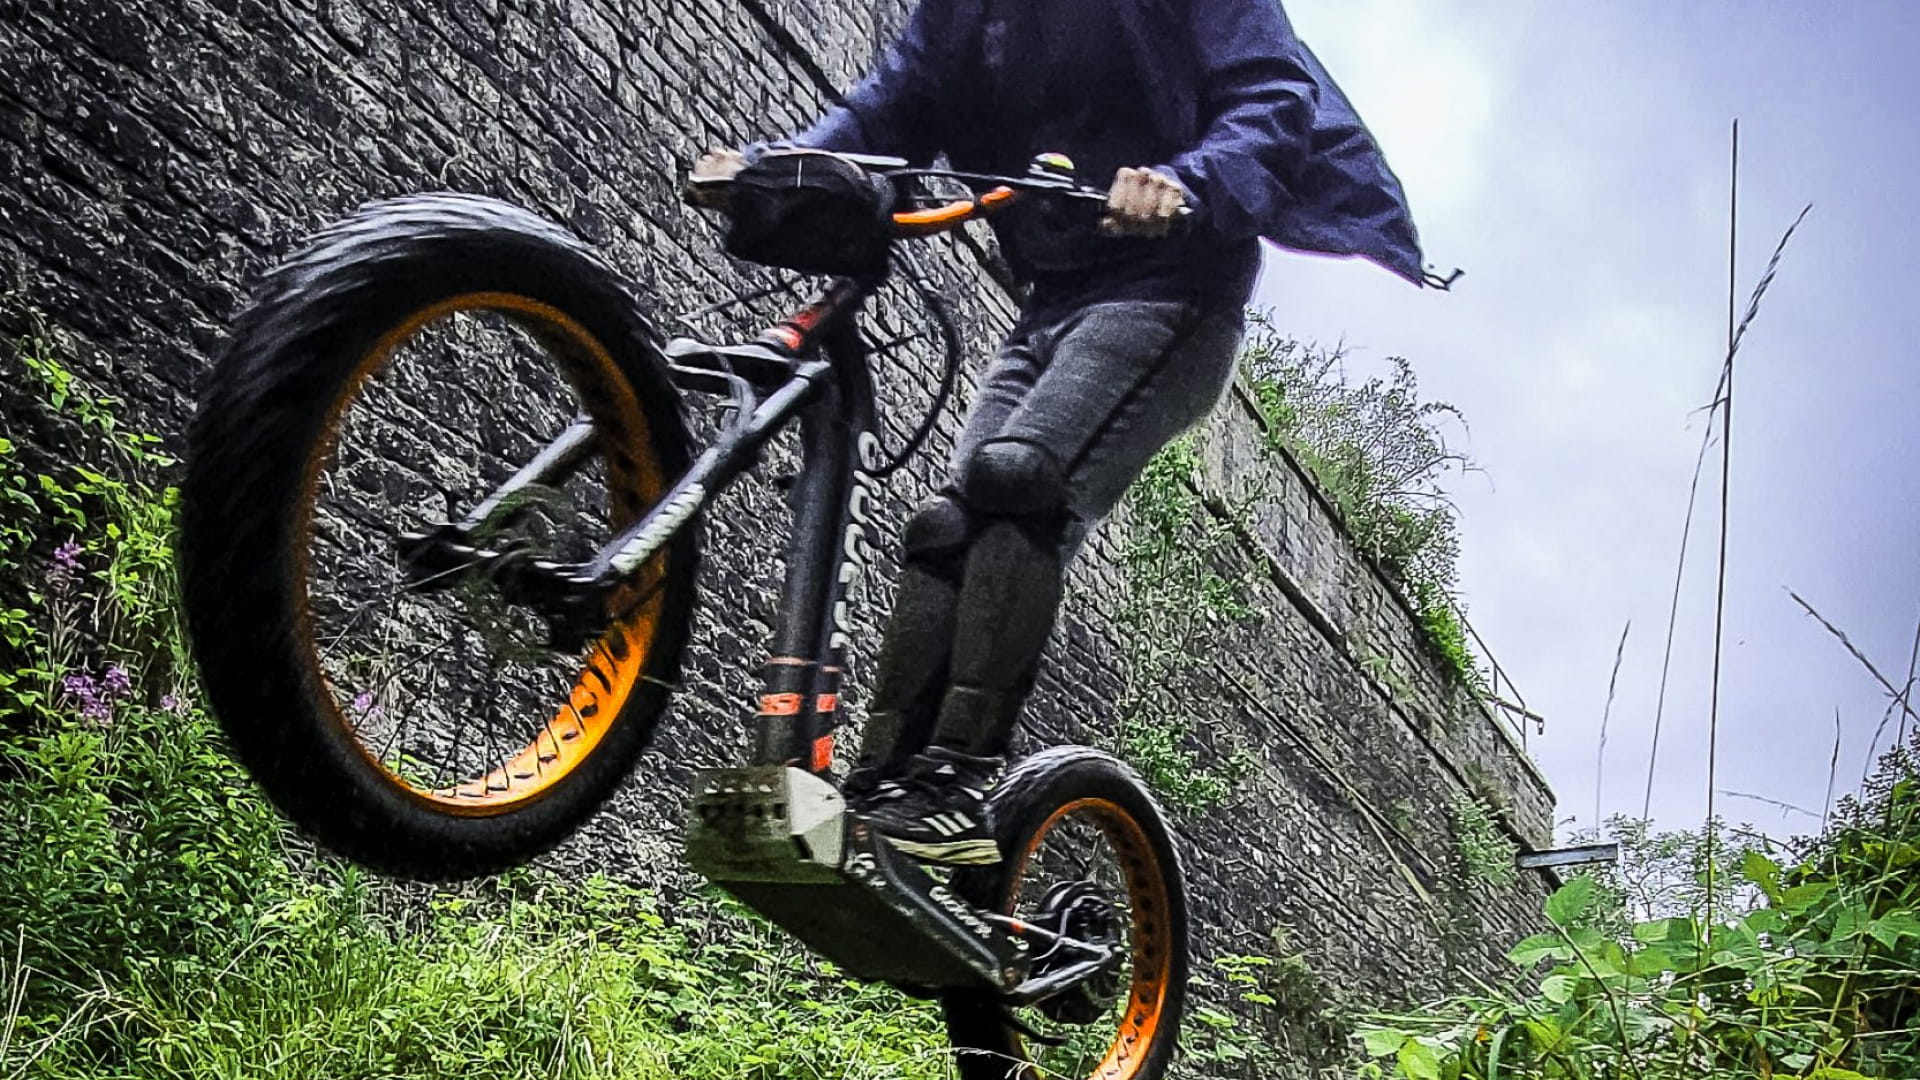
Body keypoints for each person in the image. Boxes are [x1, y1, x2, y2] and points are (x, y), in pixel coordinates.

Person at [695, 0, 1430, 864]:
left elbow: (1270, 99)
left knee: (1019, 480)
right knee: (943, 529)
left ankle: (955, 785)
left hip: (1173, 290)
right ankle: (884, 785)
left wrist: (1188, 181)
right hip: (1049, 304)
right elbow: (885, 108)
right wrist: (771, 167)